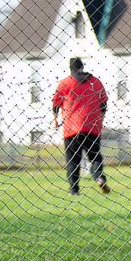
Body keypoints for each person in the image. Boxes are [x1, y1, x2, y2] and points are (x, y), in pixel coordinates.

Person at [52, 58, 110, 195]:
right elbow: (103, 104)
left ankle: (74, 190)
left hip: (72, 128)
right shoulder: (96, 82)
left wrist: (55, 119)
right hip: (92, 127)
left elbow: (55, 103)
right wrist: (100, 119)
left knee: (73, 160)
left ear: (70, 68)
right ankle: (99, 178)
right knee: (95, 157)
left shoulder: (65, 83)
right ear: (82, 67)